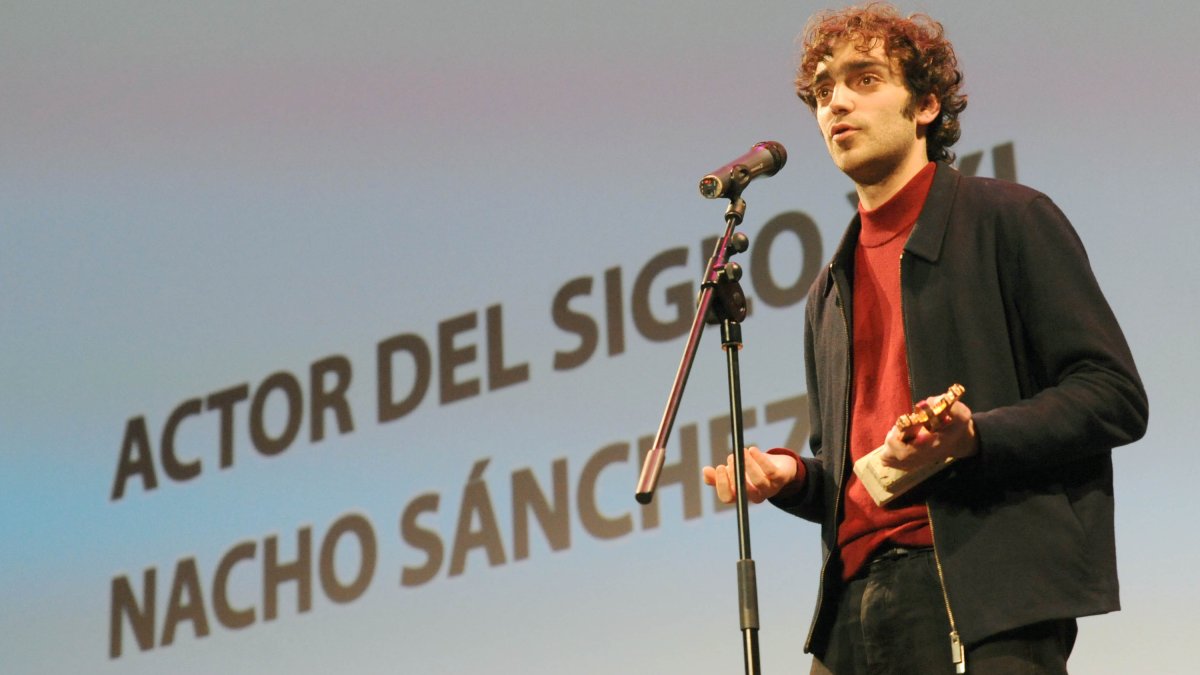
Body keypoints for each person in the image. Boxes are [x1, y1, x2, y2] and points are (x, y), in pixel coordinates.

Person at [701, 3, 1148, 673]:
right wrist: (791, 476)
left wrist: (975, 437)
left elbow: (1113, 396)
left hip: (981, 594)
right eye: (822, 91)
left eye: (864, 79)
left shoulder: (1010, 219)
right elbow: (858, 478)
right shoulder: (828, 290)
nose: (836, 103)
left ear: (927, 106)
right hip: (851, 609)